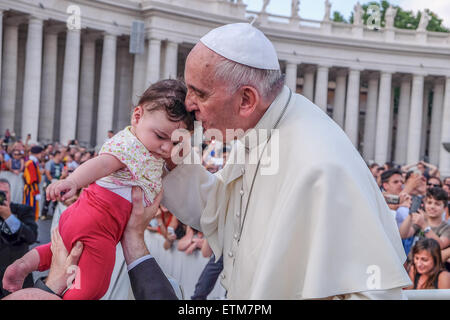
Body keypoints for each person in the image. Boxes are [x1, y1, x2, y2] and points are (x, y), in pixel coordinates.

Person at [159, 23, 410, 299]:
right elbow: (220, 211)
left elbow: (373, 291)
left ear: (246, 99)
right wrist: (169, 158)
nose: (189, 103)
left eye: (200, 93)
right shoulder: (259, 131)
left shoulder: (320, 163)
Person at [3, 79, 194, 300]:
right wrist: (73, 182)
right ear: (137, 116)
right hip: (100, 224)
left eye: (176, 143)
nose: (166, 148)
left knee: (57, 249)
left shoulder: (150, 150)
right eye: (161, 137)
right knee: (94, 286)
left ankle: (23, 264)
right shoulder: (131, 145)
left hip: (81, 217)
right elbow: (102, 164)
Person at [0, 178, 38, 298]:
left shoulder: (23, 210)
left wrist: (9, 217)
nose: (2, 196)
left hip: (18, 276)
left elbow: (31, 237)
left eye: (4, 192)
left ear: (10, 193)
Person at [41, 150, 67, 220]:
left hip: (58, 184)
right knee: (47, 199)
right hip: (50, 183)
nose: (63, 156)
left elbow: (62, 174)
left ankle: (54, 214)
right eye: (61, 155)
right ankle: (44, 214)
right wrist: (53, 181)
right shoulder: (50, 163)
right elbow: (47, 172)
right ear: (57, 155)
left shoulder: (61, 164)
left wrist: (62, 177)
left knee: (56, 200)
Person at [22, 145, 43, 221]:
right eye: (41, 153)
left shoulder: (32, 162)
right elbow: (32, 180)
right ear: (37, 153)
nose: (41, 155)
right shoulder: (31, 163)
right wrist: (36, 192)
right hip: (31, 189)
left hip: (31, 188)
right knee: (30, 207)